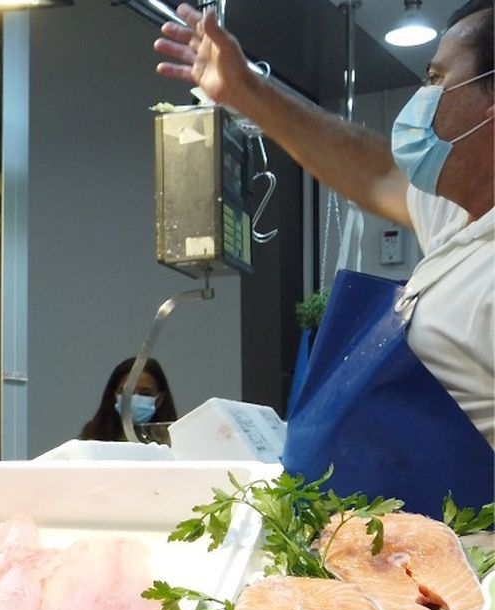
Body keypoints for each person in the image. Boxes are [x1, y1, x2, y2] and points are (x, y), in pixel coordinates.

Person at [155, 1, 492, 512]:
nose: (421, 96)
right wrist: (248, 90)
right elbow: (376, 174)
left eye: (437, 77)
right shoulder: (462, 213)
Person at [79, 357, 180, 442]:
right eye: (126, 392)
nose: (134, 398)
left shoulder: (176, 441)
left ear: (159, 399)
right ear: (114, 395)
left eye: (145, 393)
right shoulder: (91, 442)